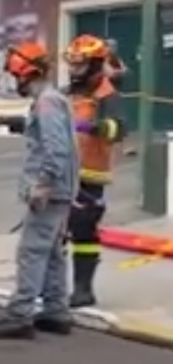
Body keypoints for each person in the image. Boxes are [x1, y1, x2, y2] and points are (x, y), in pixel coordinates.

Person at [0, 42, 79, 339]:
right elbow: (51, 136)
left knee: (31, 251)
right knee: (51, 253)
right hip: (60, 190)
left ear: (28, 74)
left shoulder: (47, 102)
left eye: (16, 77)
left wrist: (43, 184)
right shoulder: (51, 100)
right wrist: (22, 124)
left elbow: (56, 148)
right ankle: (56, 310)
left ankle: (20, 315)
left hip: (50, 191)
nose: (15, 82)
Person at [61, 34, 126, 307]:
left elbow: (119, 128)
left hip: (90, 174)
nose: (73, 70)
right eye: (72, 64)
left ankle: (83, 288)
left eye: (79, 65)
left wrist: (98, 128)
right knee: (56, 230)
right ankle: (52, 286)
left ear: (94, 64)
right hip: (63, 171)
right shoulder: (68, 93)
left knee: (84, 229)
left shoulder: (106, 95)